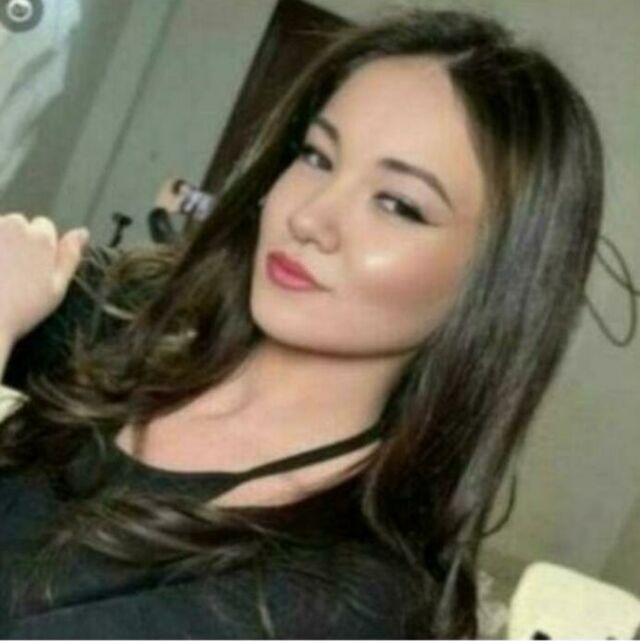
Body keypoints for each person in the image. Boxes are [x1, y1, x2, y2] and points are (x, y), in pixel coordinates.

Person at [0, 6, 604, 639]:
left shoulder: (350, 598)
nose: (308, 216)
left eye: (398, 205)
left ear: (495, 284)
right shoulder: (123, 318)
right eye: (317, 157)